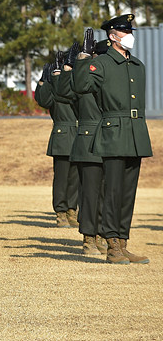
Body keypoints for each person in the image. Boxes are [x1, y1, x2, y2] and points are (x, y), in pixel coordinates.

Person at [73, 15, 153, 265]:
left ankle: (123, 241)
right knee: (113, 191)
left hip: (135, 133)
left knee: (128, 193)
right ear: (112, 36)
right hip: (114, 132)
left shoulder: (137, 65)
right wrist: (83, 58)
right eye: (123, 30)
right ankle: (111, 245)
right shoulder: (104, 64)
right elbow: (80, 85)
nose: (129, 34)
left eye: (130, 30)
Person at [58, 36, 109, 255]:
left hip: (112, 139)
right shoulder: (83, 78)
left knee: (109, 193)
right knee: (90, 193)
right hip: (88, 140)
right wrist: (71, 67)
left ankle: (105, 235)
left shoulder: (112, 77)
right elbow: (63, 93)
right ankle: (89, 237)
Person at [35, 51, 79, 228]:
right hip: (62, 134)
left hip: (78, 133)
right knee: (62, 177)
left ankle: (71, 210)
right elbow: (43, 100)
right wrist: (43, 81)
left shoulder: (75, 84)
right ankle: (60, 211)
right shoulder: (54, 86)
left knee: (76, 177)